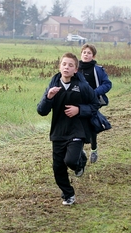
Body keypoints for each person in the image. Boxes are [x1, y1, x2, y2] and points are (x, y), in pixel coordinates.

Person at [37, 52, 99, 205]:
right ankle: (68, 194)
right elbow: (41, 111)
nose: (66, 67)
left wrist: (79, 110)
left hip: (77, 130)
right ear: (59, 67)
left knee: (70, 161)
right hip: (58, 132)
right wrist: (48, 98)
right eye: (64, 64)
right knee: (58, 167)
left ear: (75, 70)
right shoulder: (53, 87)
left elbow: (95, 105)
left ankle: (79, 160)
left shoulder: (82, 86)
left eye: (70, 65)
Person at [78, 43, 112, 163]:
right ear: (81, 54)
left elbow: (107, 84)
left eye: (89, 53)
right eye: (84, 52)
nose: (86, 55)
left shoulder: (97, 69)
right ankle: (80, 150)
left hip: (93, 102)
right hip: (77, 103)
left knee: (91, 126)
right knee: (78, 126)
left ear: (93, 55)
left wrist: (95, 92)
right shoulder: (75, 68)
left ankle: (93, 149)